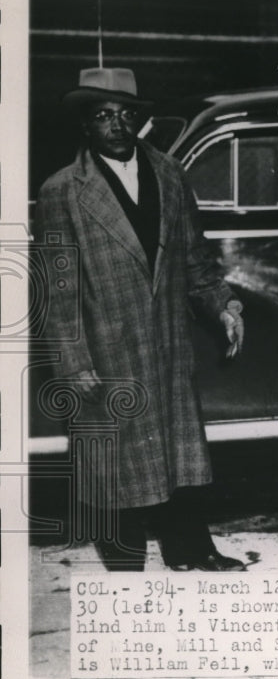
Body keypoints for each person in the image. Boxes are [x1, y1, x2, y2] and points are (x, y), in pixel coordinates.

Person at [36, 67, 246, 572]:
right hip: (106, 346)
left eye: (127, 114)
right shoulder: (62, 190)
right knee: (114, 460)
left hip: (167, 341)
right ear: (86, 124)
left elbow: (196, 260)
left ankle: (192, 549)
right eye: (104, 115)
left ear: (139, 120)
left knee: (177, 454)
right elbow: (57, 289)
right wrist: (72, 360)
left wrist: (224, 305)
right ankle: (124, 562)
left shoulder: (170, 172)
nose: (117, 124)